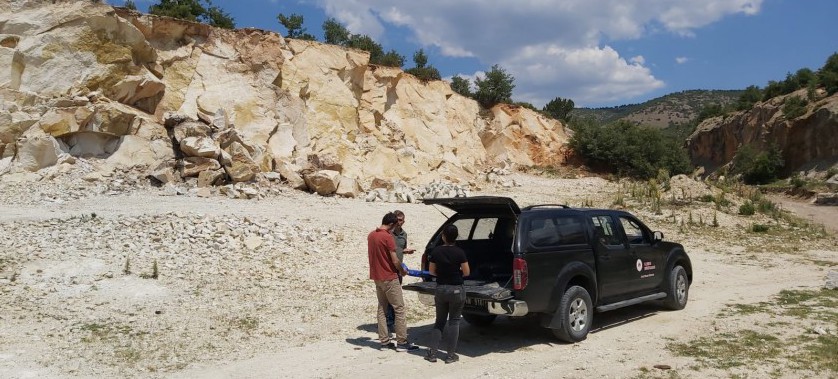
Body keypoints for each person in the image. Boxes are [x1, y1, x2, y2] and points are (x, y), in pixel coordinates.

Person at [368, 212, 418, 352]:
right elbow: (395, 260)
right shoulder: (388, 237)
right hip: (390, 277)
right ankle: (402, 342)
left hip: (377, 277)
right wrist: (402, 271)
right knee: (399, 309)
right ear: (391, 224)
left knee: (382, 309)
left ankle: (384, 341)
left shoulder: (371, 235)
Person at [425, 224, 470, 364]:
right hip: (456, 288)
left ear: (443, 236)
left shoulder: (436, 252)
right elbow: (467, 272)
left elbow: (431, 271)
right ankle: (451, 355)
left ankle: (432, 353)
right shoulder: (460, 252)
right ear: (456, 236)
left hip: (441, 289)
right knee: (454, 322)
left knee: (439, 322)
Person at [385, 210, 415, 334]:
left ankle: (392, 322)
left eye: (401, 220)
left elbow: (399, 249)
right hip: (388, 268)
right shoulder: (387, 233)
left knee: (396, 297)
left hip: (399, 269)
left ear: (404, 221)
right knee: (388, 297)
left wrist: (405, 251)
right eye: (397, 219)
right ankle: (388, 323)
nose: (399, 222)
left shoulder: (404, 234)